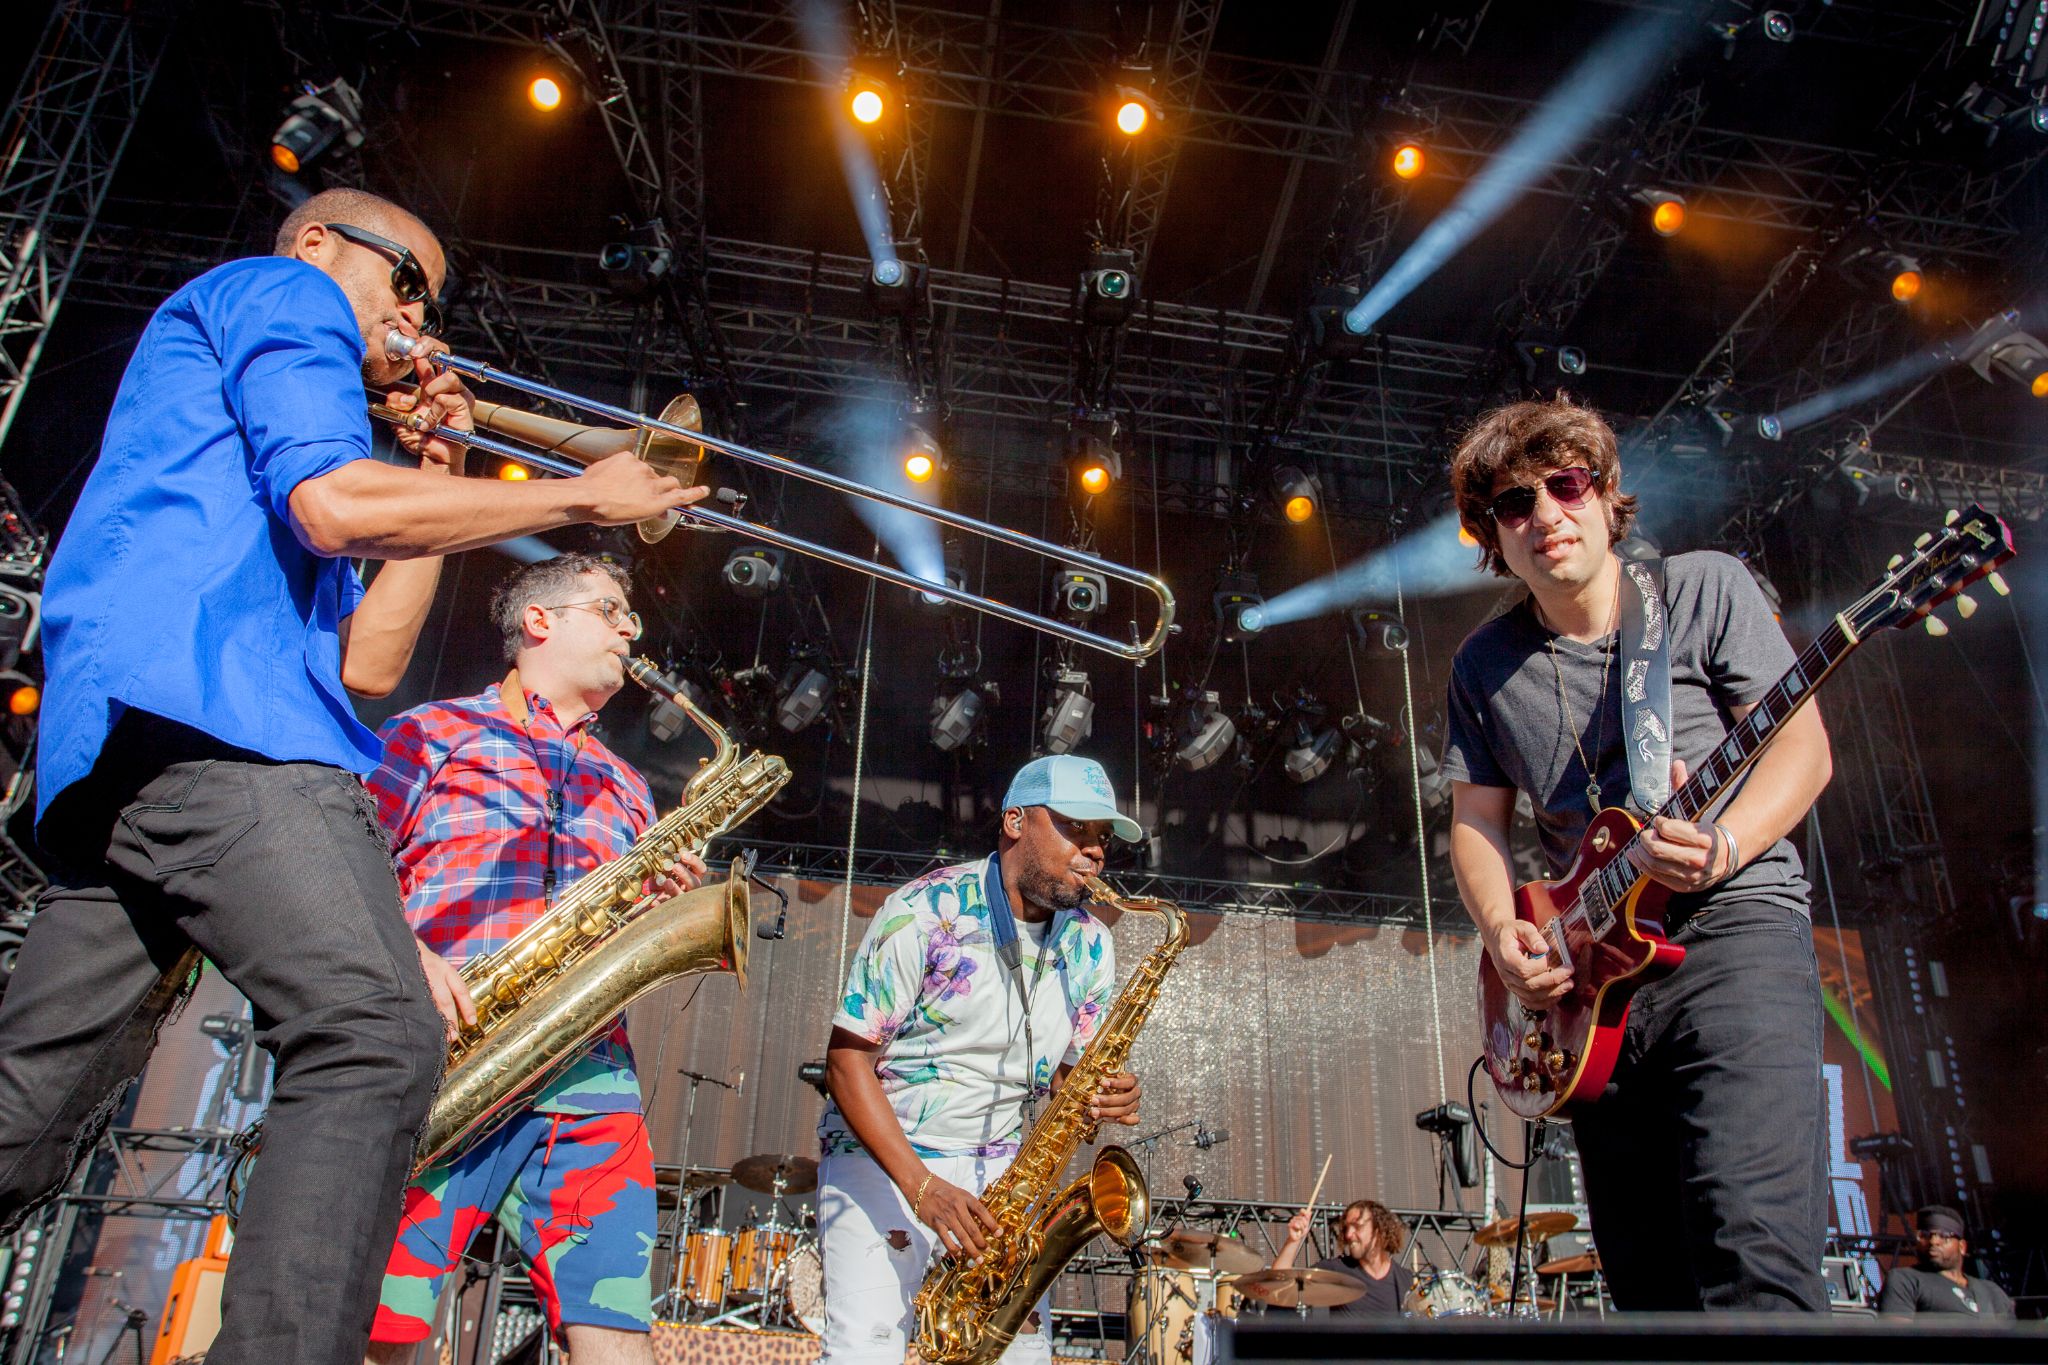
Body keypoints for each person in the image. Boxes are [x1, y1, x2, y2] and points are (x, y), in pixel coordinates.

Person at [0, 187, 695, 1365]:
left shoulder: (270, 445)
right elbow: (334, 509)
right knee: (377, 1033)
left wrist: (445, 465)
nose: (417, 322)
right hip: (214, 734)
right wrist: (580, 491)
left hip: (141, 750)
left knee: (29, 1110)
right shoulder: (284, 293)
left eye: (431, 299)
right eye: (407, 283)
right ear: (322, 243)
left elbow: (365, 661)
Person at [1441, 394, 1834, 1313]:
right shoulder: (1483, 664)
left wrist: (1726, 843)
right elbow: (1476, 824)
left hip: (1732, 933)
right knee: (1648, 1290)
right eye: (1513, 504)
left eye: (1565, 485)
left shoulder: (1703, 589)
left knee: (1754, 1257)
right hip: (1594, 986)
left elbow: (1802, 748)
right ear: (1491, 535)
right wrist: (1506, 930)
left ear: (1605, 494)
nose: (1544, 514)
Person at [363, 554, 706, 1364]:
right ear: (539, 622)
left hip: (589, 1079)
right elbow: (348, 867)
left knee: (620, 1334)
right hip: (448, 1061)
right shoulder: (427, 733)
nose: (632, 628)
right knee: (379, 1335)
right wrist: (411, 957)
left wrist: (651, 901)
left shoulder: (626, 784)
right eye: (613, 608)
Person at [817, 755, 1145, 1364]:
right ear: (1015, 821)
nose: (1095, 852)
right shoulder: (924, 909)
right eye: (1077, 828)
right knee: (865, 1354)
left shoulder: (1093, 943)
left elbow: (1071, 1084)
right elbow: (846, 1063)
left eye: (1102, 839)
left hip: (1001, 1184)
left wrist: (1100, 1098)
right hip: (887, 1163)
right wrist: (924, 1190)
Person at [1272, 1199, 1412, 1316]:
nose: (1349, 1234)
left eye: (1357, 1226)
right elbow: (1278, 1285)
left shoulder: (1406, 1281)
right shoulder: (1335, 1271)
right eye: (1346, 1228)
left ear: (1379, 1230)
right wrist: (1293, 1240)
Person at [1877, 1206, 2016, 1320]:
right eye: (1925, 1235)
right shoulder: (1904, 1280)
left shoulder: (1992, 1292)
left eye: (1944, 1236)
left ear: (1962, 1247)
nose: (1933, 1242)